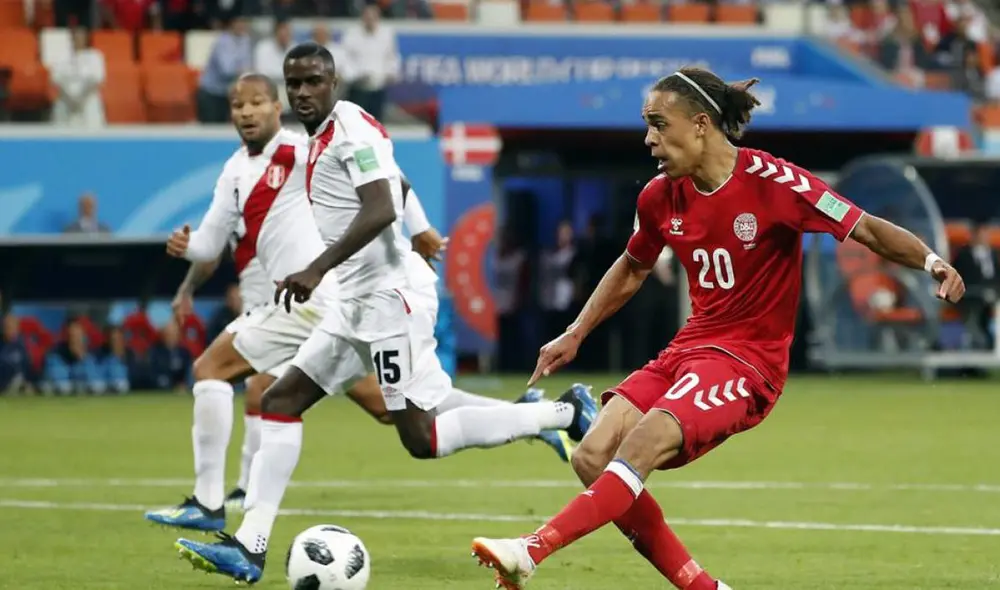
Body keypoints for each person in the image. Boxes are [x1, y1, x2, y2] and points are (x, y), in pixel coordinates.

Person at [468, 67, 966, 590]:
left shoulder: (778, 184)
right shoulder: (660, 197)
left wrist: (931, 260)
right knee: (593, 454)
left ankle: (531, 549)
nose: (649, 139)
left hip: (748, 364)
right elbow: (633, 265)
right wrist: (576, 331)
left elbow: (864, 227)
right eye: (646, 126)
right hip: (688, 350)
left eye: (659, 124)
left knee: (642, 443)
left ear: (701, 124)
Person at [171, 42, 597, 584]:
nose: (303, 92)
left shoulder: (349, 132)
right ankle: (249, 547)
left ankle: (560, 415)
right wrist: (417, 228)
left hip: (389, 301)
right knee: (281, 400)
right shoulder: (317, 140)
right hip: (352, 303)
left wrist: (318, 267)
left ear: (334, 82)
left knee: (421, 437)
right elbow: (399, 184)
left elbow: (380, 204)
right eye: (294, 83)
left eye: (313, 82)